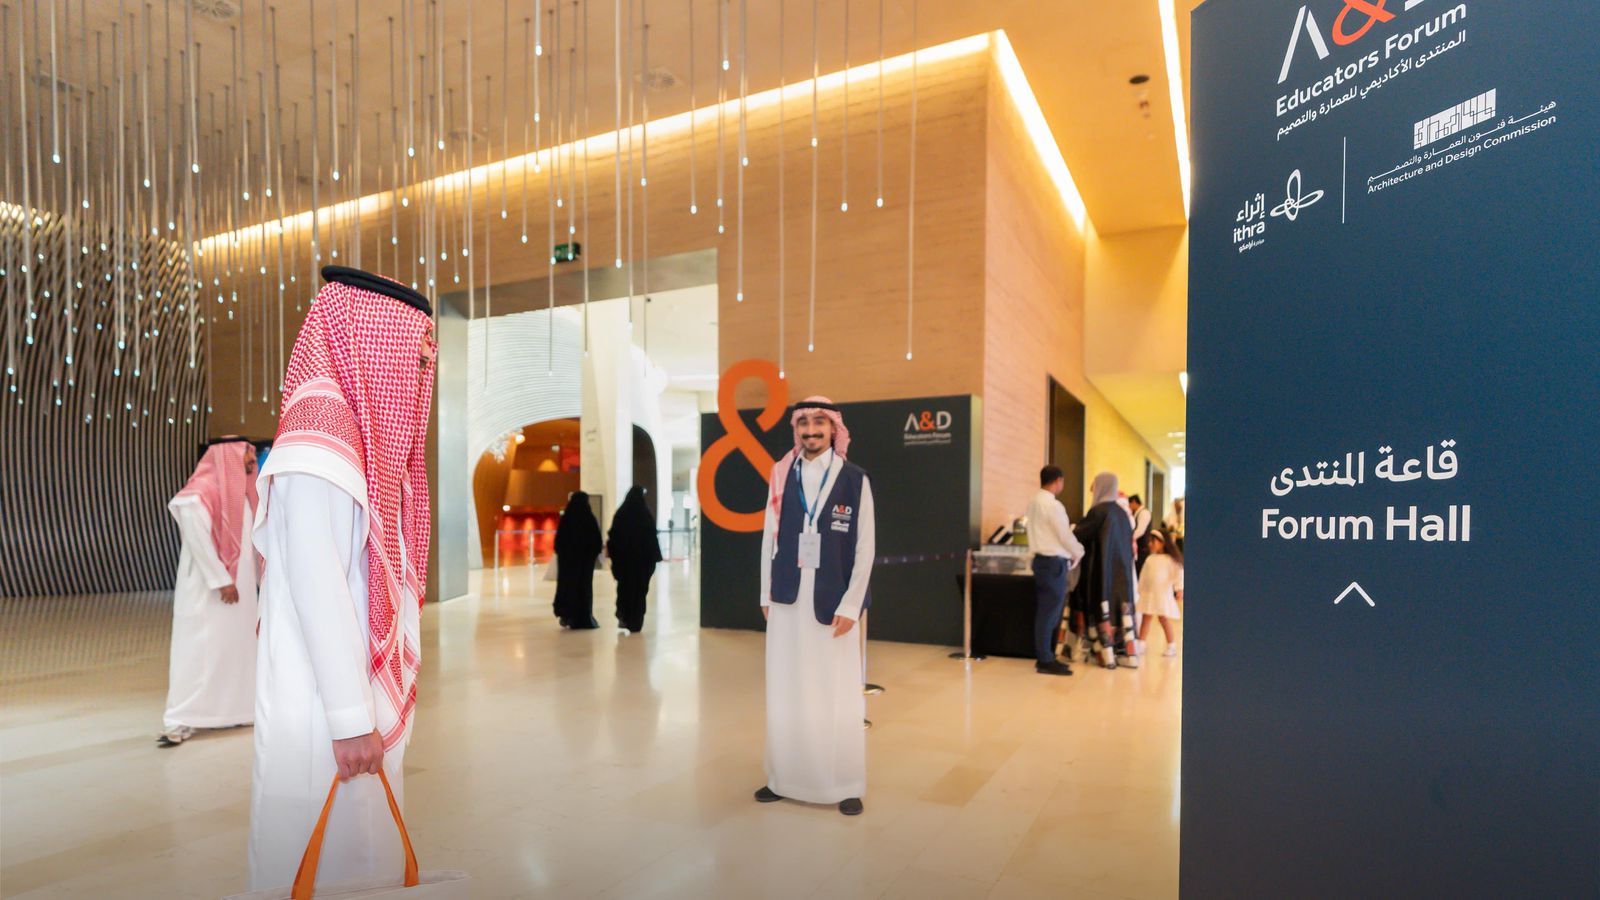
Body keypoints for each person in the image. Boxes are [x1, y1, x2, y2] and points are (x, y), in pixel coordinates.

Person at [246, 267, 436, 891]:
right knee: (328, 859)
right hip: (326, 711)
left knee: (359, 855)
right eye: (412, 356)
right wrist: (351, 718)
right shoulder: (320, 439)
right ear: (366, 339)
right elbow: (316, 580)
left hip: (341, 699)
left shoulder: (346, 435)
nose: (418, 374)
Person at [755, 396, 875, 816]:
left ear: (833, 428)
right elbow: (769, 538)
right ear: (796, 429)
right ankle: (783, 778)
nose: (810, 430)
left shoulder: (855, 479)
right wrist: (766, 594)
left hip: (833, 604)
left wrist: (852, 604)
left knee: (836, 692)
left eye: (819, 422)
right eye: (803, 422)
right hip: (787, 598)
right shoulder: (781, 475)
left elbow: (865, 548)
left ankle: (844, 783)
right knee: (785, 688)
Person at [158, 437, 261, 747]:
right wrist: (221, 580)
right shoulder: (197, 495)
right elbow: (197, 540)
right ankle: (180, 719)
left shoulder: (242, 495)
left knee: (236, 650)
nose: (252, 459)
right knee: (198, 653)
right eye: (247, 452)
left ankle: (237, 711)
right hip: (209, 593)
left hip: (242, 592)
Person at [1070, 472, 1139, 669]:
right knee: (1121, 612)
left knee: (1101, 609)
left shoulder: (1099, 511)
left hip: (1102, 572)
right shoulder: (1122, 514)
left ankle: (1105, 655)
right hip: (1123, 575)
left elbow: (1078, 535)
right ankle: (1126, 655)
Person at [1025, 465, 1084, 676]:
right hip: (1052, 564)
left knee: (1046, 612)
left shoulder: (1033, 502)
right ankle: (1045, 660)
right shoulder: (1052, 505)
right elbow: (1064, 535)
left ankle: (1046, 656)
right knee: (1049, 613)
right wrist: (1079, 551)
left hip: (1041, 562)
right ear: (1058, 480)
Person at [607, 486, 663, 634]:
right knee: (639, 592)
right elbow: (651, 539)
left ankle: (624, 616)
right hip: (642, 565)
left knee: (624, 590)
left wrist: (616, 558)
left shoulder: (621, 514)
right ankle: (636, 621)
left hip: (625, 564)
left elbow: (614, 538)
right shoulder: (645, 515)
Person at [552, 491, 602, 629]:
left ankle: (568, 615)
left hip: (568, 563)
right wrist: (590, 556)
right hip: (585, 564)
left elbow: (559, 542)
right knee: (584, 588)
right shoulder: (589, 518)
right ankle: (583, 617)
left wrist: (565, 555)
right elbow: (596, 542)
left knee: (568, 587)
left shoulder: (567, 519)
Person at [1136, 529, 1183, 657]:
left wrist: (1179, 588)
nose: (1150, 544)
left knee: (1163, 619)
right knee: (1146, 618)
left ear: (1162, 543)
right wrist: (1140, 589)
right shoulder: (1150, 559)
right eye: (1150, 541)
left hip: (1162, 594)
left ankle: (1171, 645)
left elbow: (1178, 573)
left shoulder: (1170, 560)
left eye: (1153, 541)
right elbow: (1144, 576)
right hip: (1149, 594)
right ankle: (1141, 643)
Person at [1129, 494, 1153, 574]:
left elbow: (1140, 531)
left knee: (1140, 571)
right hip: (1139, 548)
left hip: (1142, 548)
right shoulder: (1137, 513)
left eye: (1129, 504)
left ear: (1134, 502)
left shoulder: (1144, 513)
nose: (1129, 507)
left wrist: (1129, 539)